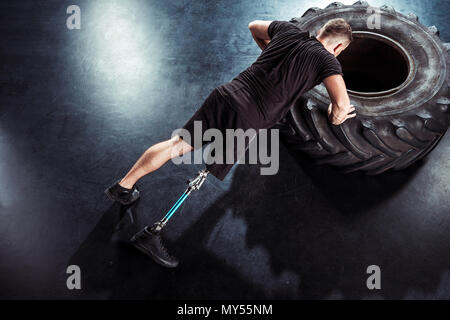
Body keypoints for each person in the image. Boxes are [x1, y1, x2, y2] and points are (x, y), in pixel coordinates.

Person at [105, 18, 356, 268]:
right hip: (247, 118)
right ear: (338, 48)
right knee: (205, 171)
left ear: (321, 32)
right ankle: (152, 233)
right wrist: (338, 114)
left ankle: (123, 187)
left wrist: (271, 53)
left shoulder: (289, 30)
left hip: (226, 94)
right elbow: (340, 108)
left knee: (177, 145)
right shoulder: (327, 61)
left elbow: (252, 26)